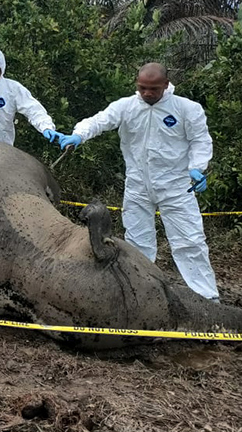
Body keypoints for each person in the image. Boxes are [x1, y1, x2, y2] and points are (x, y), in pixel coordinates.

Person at [60, 62, 219, 301]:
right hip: (137, 187)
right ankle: (143, 294)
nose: (147, 93)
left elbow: (200, 141)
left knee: (190, 242)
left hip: (177, 187)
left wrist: (197, 167)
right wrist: (79, 134)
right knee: (138, 243)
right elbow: (100, 121)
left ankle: (207, 298)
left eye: (153, 88)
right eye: (142, 87)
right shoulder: (126, 107)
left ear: (166, 85)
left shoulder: (187, 109)